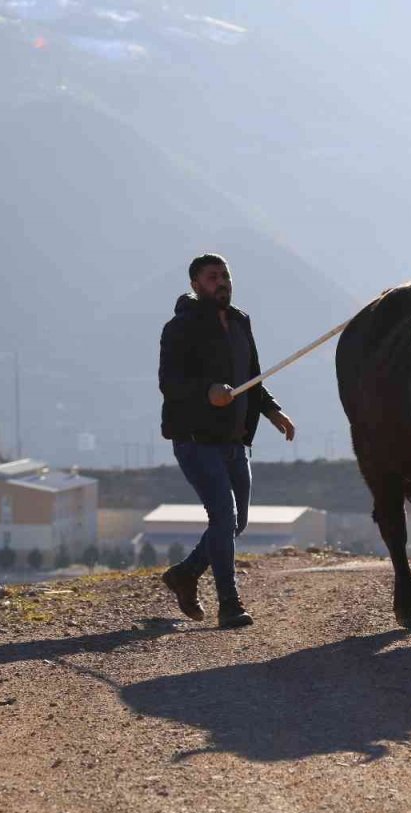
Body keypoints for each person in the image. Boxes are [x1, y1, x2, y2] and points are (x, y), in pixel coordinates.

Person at [158, 253, 296, 628]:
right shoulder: (180, 328)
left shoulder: (239, 322)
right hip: (196, 441)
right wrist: (208, 391)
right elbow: (169, 384)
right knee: (223, 516)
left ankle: (185, 574)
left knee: (236, 522)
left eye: (225, 276)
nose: (222, 282)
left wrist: (272, 411)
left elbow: (252, 378)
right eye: (213, 277)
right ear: (195, 285)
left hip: (235, 441)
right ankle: (229, 603)